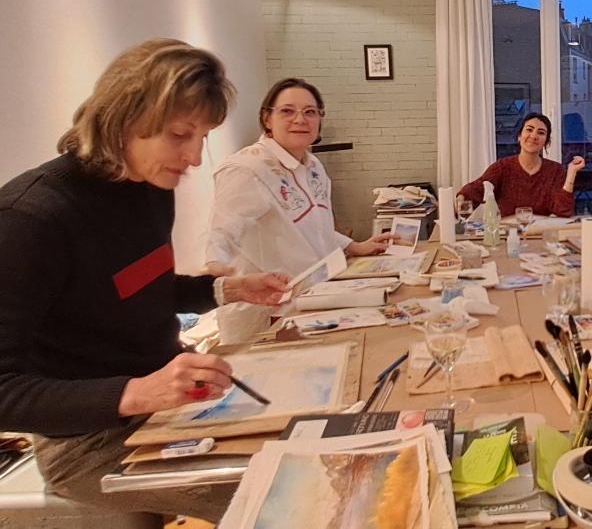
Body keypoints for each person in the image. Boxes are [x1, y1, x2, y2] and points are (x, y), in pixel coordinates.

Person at [0, 39, 289, 521]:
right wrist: (138, 392)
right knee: (284, 491)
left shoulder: (148, 186)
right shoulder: (30, 218)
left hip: (164, 403)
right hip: (86, 443)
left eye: (202, 137)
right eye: (179, 135)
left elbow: (135, 288)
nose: (194, 158)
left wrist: (223, 290)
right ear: (122, 117)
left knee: (309, 437)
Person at [204, 77, 393, 278]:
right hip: (275, 295)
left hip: (320, 286)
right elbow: (222, 233)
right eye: (287, 111)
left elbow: (315, 229)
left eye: (310, 112)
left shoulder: (313, 166)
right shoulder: (247, 169)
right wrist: (216, 270)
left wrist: (355, 246)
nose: (300, 120)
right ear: (267, 118)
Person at [458, 112, 586, 217]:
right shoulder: (502, 167)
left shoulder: (555, 170)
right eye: (529, 130)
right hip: (509, 234)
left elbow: (563, 211)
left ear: (546, 142)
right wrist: (462, 197)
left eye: (541, 133)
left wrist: (571, 173)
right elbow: (478, 188)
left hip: (541, 235)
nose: (533, 136)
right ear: (519, 136)